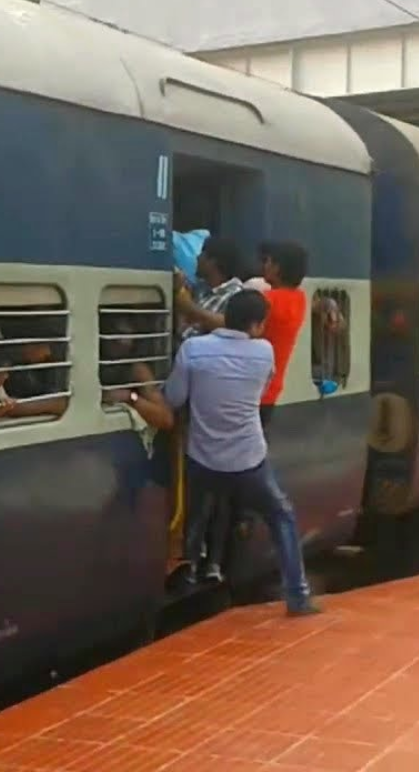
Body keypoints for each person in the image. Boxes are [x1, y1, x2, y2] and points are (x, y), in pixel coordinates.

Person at [162, 289, 320, 616]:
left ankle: (188, 578)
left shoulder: (193, 349)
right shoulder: (264, 352)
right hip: (249, 460)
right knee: (282, 517)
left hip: (203, 459)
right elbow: (261, 391)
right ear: (258, 325)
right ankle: (298, 596)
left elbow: (174, 398)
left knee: (194, 520)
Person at [256, 242, 310, 428]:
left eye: (268, 262)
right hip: (272, 388)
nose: (264, 266)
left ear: (277, 268)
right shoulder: (299, 299)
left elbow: (230, 323)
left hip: (252, 389)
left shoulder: (268, 300)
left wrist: (187, 305)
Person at [174, 235, 245, 339]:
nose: (197, 258)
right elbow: (184, 331)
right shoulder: (199, 290)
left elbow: (232, 326)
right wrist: (180, 292)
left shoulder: (237, 295)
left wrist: (190, 308)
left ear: (213, 261)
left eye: (202, 253)